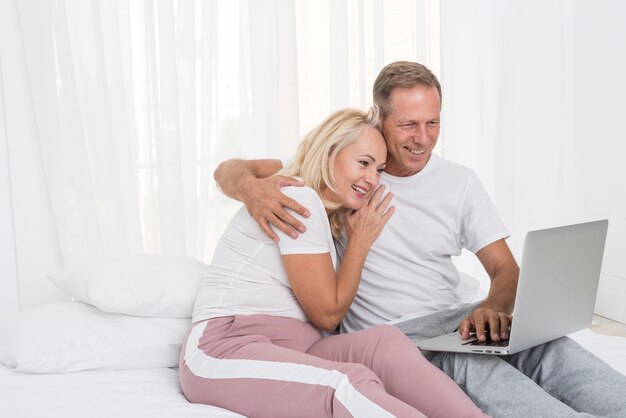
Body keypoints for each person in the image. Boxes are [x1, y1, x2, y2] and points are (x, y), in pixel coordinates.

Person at [214, 61, 626, 417]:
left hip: (459, 319)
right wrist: (251, 189)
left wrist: (492, 309)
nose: (423, 138)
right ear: (379, 117)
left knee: (554, 351)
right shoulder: (342, 171)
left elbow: (506, 269)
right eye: (408, 124)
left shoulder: (458, 182)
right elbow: (232, 169)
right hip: (406, 337)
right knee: (495, 380)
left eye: (433, 123)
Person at [181, 106, 489, 417]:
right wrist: (360, 241)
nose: (372, 180)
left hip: (299, 346)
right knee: (345, 384)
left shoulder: (318, 199)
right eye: (363, 163)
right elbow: (327, 314)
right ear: (330, 154)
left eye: (379, 169)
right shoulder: (295, 194)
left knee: (385, 343)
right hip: (224, 347)